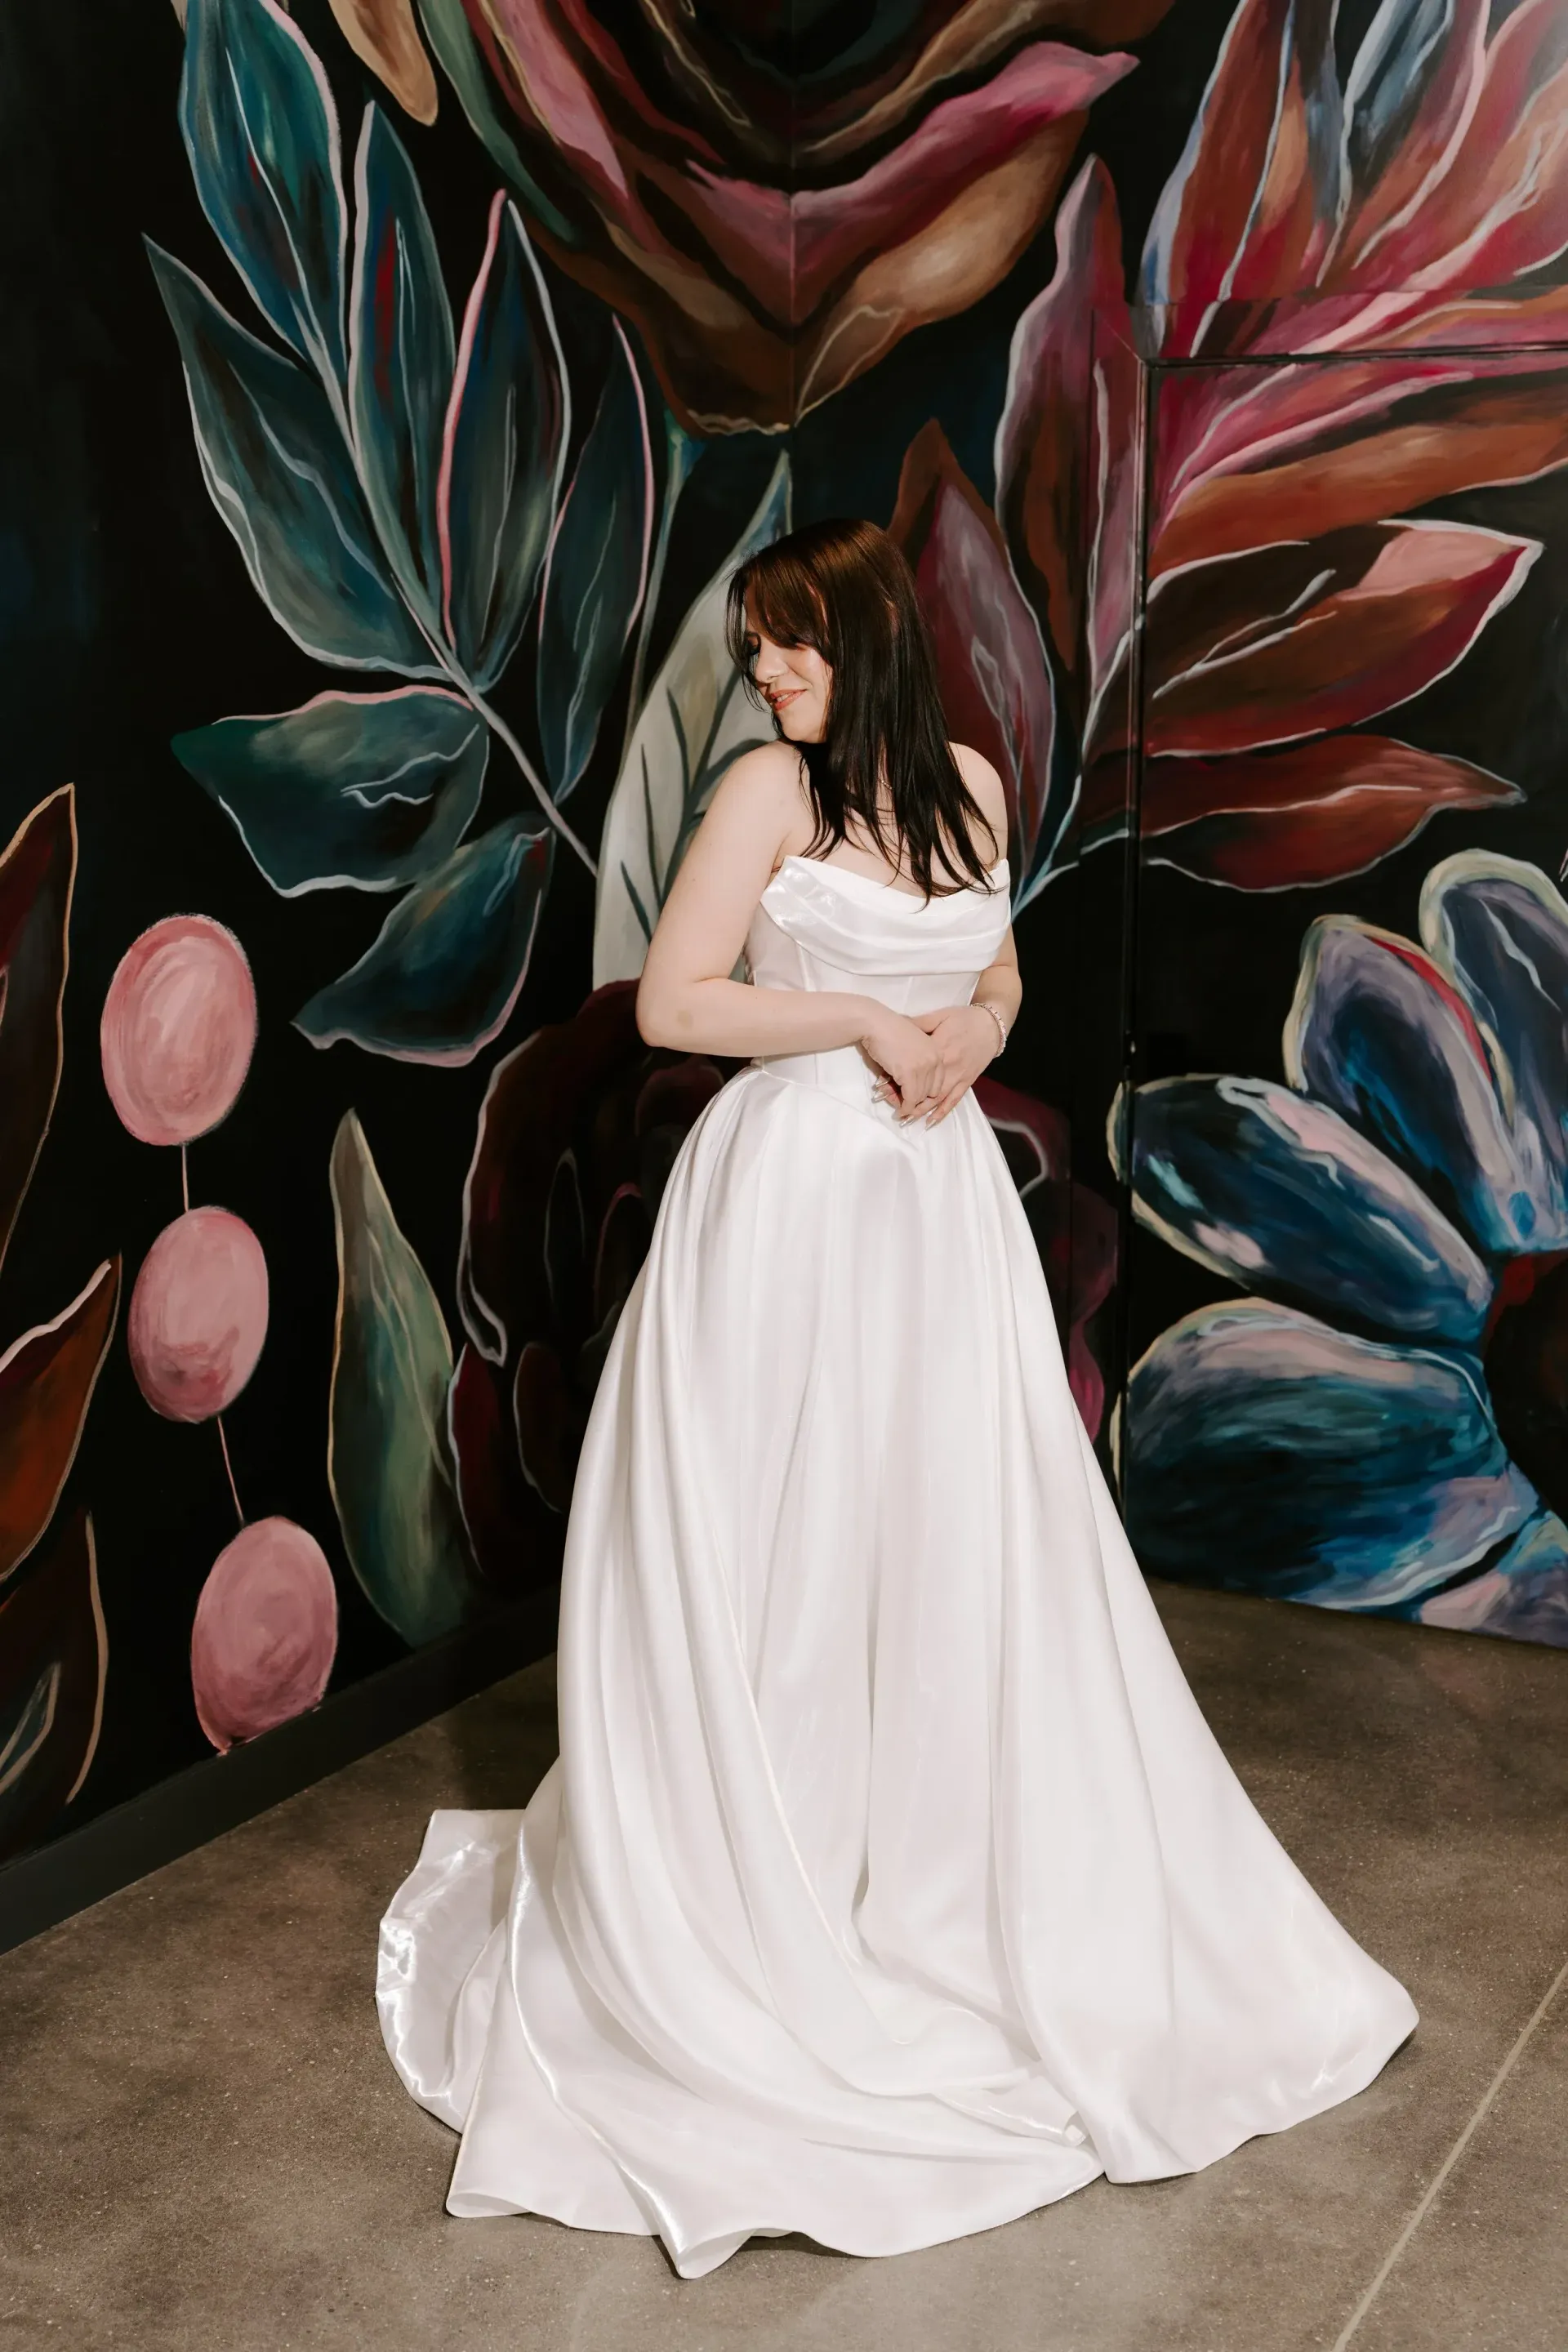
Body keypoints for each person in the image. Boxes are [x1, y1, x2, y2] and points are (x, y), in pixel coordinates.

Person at [377, 518, 1417, 2279]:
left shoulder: (961, 780)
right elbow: (681, 1009)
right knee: (788, 1552)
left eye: (792, 646)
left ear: (864, 634)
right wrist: (861, 1017)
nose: (768, 678)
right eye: (759, 651)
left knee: (935, 1556)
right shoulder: (766, 798)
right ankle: (761, 1888)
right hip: (785, 1211)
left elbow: (1002, 969)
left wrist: (963, 1037)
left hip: (933, 1218)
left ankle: (921, 1877)